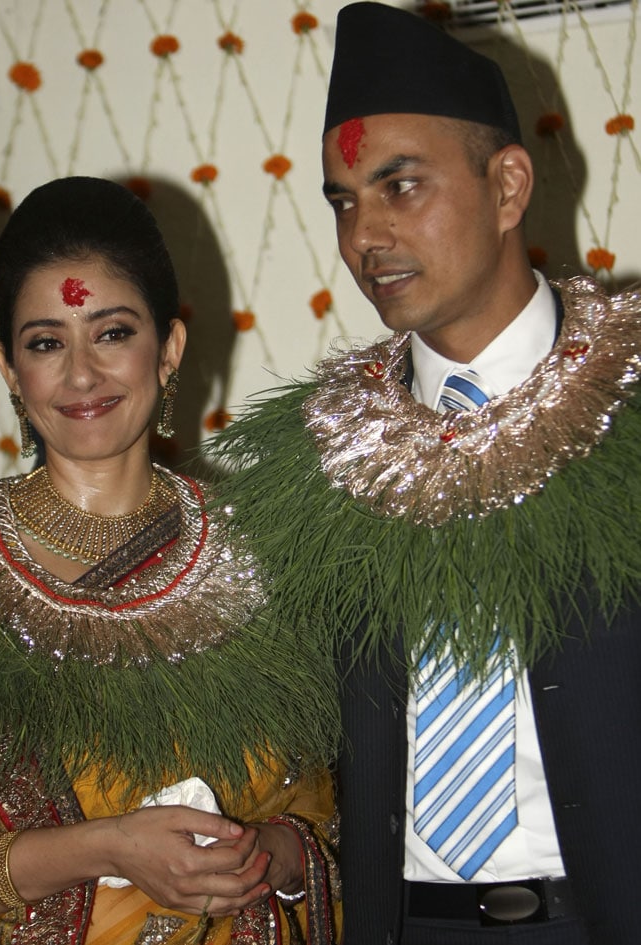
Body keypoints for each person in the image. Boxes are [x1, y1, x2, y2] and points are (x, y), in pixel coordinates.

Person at [211, 4, 641, 945]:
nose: (364, 234)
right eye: (341, 200)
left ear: (510, 184)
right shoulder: (316, 458)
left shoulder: (633, 404)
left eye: (400, 185)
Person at [0, 176, 341, 945]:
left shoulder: (264, 558)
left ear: (170, 349)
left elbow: (327, 815)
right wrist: (105, 846)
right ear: (9, 369)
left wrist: (272, 854)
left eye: (114, 332)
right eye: (46, 342)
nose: (82, 374)